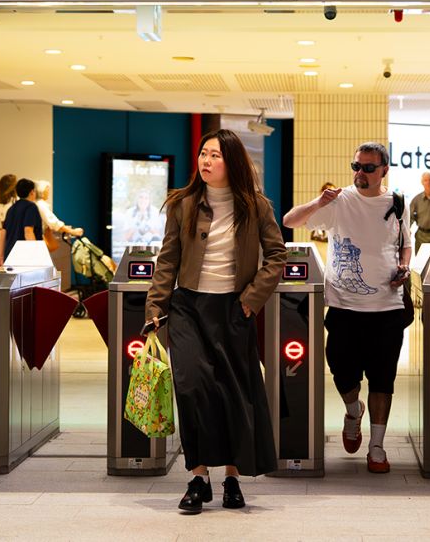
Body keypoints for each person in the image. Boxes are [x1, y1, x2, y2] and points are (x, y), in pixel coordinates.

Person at [145, 129, 286, 514]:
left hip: (233, 312)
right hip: (188, 309)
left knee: (233, 395)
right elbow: (167, 260)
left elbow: (277, 256)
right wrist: (156, 310)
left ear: (232, 163)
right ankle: (197, 476)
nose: (205, 161)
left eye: (214, 156)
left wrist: (250, 301)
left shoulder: (256, 207)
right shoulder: (183, 204)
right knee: (192, 388)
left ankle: (232, 478)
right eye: (203, 154)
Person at [283, 142, 412, 474]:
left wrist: (404, 267)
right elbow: (289, 219)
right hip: (343, 306)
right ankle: (354, 411)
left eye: (368, 168)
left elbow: (405, 244)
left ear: (384, 170)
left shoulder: (397, 203)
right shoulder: (339, 202)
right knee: (343, 373)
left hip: (387, 306)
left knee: (384, 379)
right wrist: (319, 200)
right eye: (356, 166)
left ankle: (377, 446)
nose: (360, 174)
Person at [0, 178, 43, 261]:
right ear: (32, 192)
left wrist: (1, 257)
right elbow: (28, 231)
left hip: (9, 255)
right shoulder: (31, 207)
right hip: (24, 257)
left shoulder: (11, 209)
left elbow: (3, 233)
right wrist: (37, 256)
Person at [34, 179, 84, 247]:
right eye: (47, 190)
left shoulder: (37, 204)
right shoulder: (41, 205)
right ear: (42, 191)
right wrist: (73, 231)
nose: (48, 192)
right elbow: (54, 223)